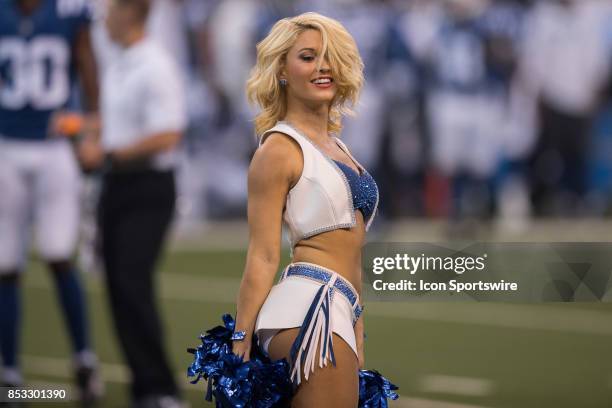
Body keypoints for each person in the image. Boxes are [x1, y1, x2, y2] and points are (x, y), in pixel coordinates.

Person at [231, 12, 376, 406]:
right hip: (310, 309)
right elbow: (262, 254)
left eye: (329, 56)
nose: (323, 66)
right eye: (308, 57)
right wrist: (241, 338)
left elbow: (353, 251)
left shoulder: (337, 147)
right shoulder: (277, 149)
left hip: (339, 308)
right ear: (281, 70)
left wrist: (358, 329)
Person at [76, 0, 187, 407]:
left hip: (148, 186)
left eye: (110, 11)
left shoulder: (155, 64)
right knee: (118, 286)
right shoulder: (122, 63)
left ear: (129, 14)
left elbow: (168, 133)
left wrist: (109, 154)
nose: (104, 19)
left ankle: (160, 387)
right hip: (118, 185)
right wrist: (87, 130)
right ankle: (145, 385)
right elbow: (118, 123)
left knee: (132, 283)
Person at [0, 0, 102, 405]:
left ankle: (84, 359)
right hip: (5, 145)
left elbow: (86, 59)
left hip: (54, 144)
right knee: (5, 264)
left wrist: (93, 123)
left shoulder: (69, 9)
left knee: (59, 254)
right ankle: (9, 369)